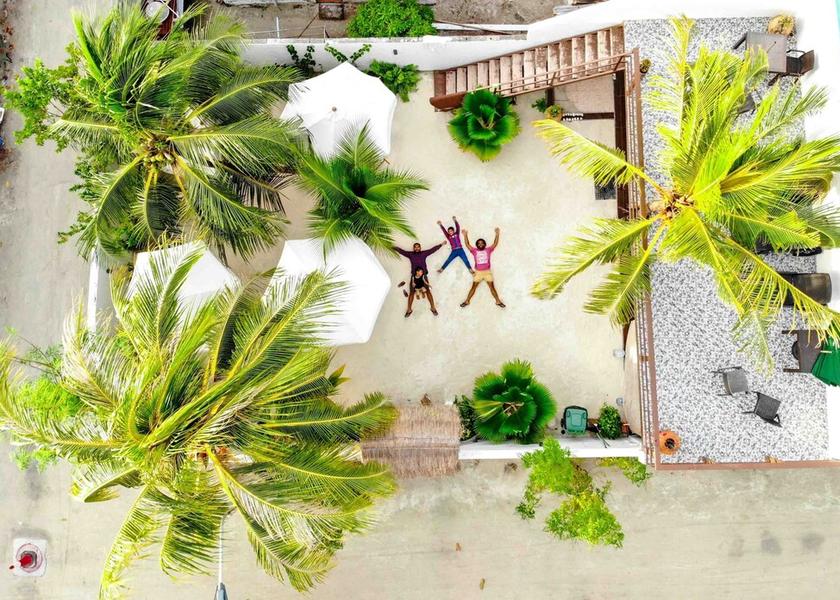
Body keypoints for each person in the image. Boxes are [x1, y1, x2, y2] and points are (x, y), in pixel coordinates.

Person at [461, 227, 505, 308]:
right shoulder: (474, 251)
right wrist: (465, 235)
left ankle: (498, 301)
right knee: (473, 287)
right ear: (477, 245)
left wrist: (497, 234)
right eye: (479, 243)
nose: (480, 244)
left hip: (487, 272)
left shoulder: (488, 250)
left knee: (492, 288)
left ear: (484, 244)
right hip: (478, 273)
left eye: (482, 243)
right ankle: (467, 301)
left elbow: (495, 244)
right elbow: (467, 244)